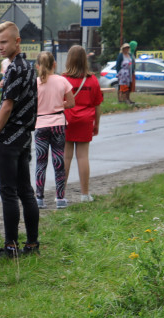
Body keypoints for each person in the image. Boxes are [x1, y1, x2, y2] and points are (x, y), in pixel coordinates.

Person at [0, 21, 38, 263]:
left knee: (8, 192)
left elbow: (7, 105)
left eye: (4, 42)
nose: (0, 47)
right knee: (26, 191)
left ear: (17, 41)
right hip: (25, 136)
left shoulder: (15, 68)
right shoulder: (29, 66)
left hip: (9, 138)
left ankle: (11, 247)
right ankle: (32, 243)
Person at [33, 52, 75, 209]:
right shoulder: (62, 81)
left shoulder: (35, 83)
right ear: (54, 64)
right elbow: (71, 102)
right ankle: (60, 199)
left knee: (40, 162)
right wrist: (58, 104)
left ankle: (39, 199)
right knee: (59, 161)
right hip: (58, 123)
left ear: (37, 66)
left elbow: (31, 104)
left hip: (40, 124)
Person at [62, 45, 103, 203]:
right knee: (83, 157)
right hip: (86, 120)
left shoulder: (63, 79)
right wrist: (96, 124)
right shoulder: (92, 80)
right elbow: (97, 104)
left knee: (66, 157)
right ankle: (85, 194)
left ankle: (61, 194)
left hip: (67, 120)